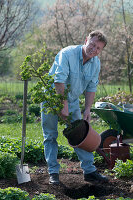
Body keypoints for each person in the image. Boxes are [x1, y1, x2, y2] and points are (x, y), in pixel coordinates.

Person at [41, 30, 108, 185]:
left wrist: (87, 109)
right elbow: (59, 80)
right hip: (52, 99)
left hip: (72, 101)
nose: (94, 49)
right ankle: (53, 173)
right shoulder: (68, 54)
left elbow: (92, 87)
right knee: (50, 135)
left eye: (98, 48)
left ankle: (90, 171)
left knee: (81, 133)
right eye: (92, 44)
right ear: (86, 40)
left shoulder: (95, 63)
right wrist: (62, 105)